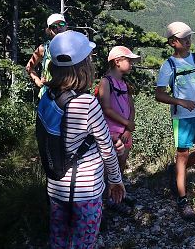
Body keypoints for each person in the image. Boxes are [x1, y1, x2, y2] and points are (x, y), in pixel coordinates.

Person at [38, 31, 125, 248]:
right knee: (83, 243)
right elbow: (106, 148)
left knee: (59, 240)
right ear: (82, 66)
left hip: (56, 186)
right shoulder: (86, 103)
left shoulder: (46, 97)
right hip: (85, 191)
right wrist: (115, 179)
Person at [155, 21, 195, 220]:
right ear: (172, 42)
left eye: (189, 37)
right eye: (183, 39)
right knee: (183, 154)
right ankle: (182, 199)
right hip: (182, 117)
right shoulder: (168, 66)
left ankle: (176, 171)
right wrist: (180, 101)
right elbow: (159, 95)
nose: (188, 41)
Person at [97, 46, 140, 212]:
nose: (131, 64)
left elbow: (132, 107)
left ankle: (117, 197)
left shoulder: (124, 84)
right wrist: (127, 124)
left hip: (124, 132)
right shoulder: (105, 82)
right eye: (128, 60)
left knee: (121, 164)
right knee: (108, 166)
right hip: (111, 132)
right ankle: (104, 201)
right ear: (117, 62)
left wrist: (128, 127)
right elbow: (106, 108)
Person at [25, 13, 68, 98]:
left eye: (61, 24)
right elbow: (29, 67)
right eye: (54, 26)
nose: (58, 28)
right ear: (49, 30)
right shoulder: (43, 49)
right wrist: (37, 80)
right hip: (48, 95)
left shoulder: (73, 47)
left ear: (66, 26)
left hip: (68, 93)